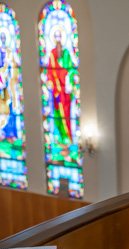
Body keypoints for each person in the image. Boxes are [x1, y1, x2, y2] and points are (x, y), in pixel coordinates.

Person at [46, 28, 78, 162]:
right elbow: (49, 71)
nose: (58, 39)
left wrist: (69, 82)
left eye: (60, 37)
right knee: (58, 116)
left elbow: (70, 70)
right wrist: (50, 83)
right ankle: (59, 141)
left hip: (66, 92)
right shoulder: (52, 54)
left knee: (67, 116)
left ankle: (68, 140)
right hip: (56, 92)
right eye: (56, 37)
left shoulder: (66, 53)